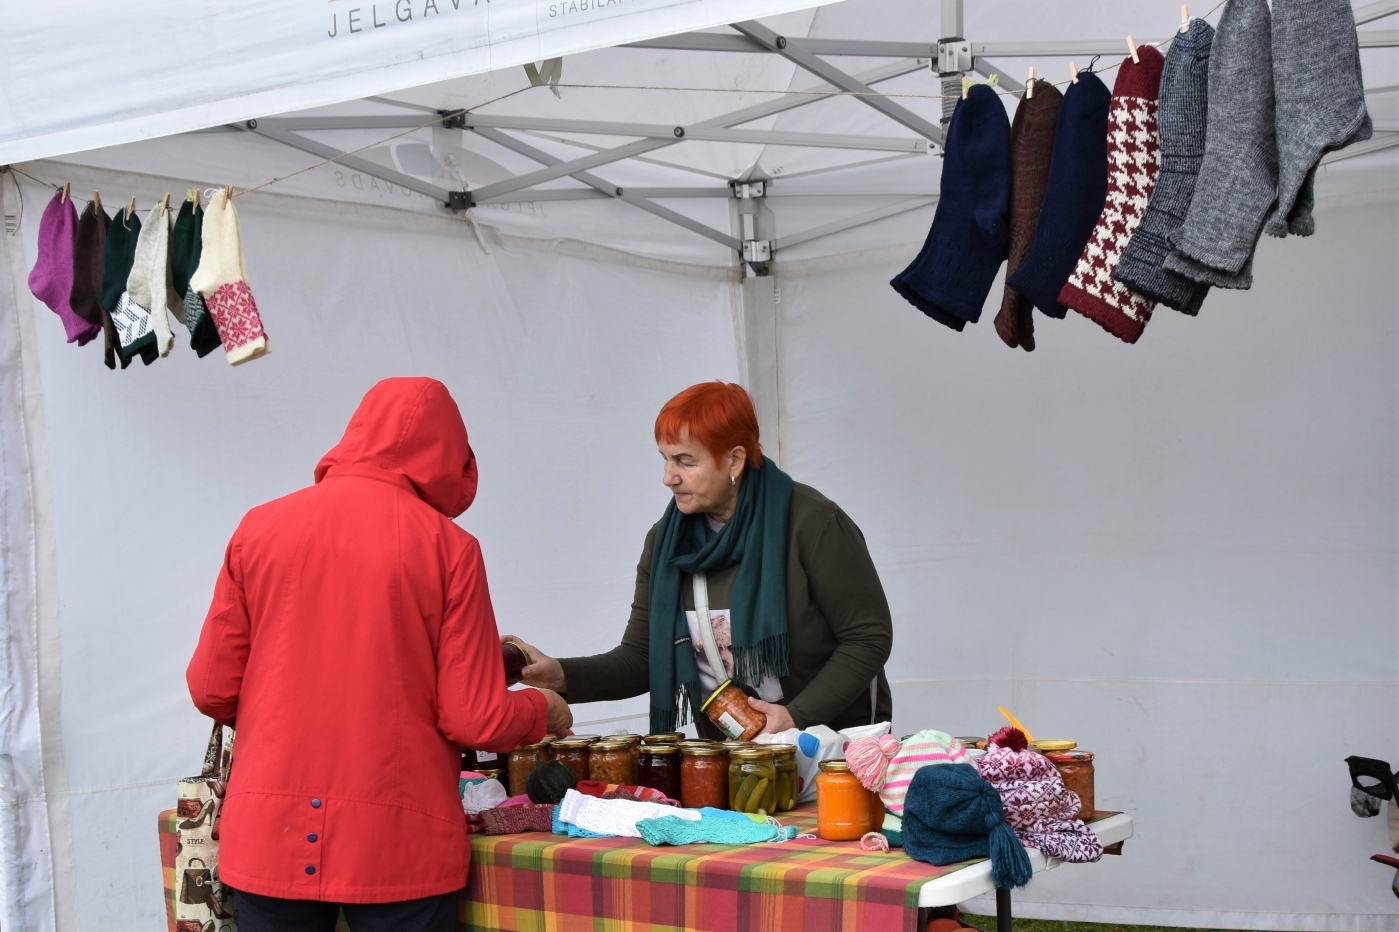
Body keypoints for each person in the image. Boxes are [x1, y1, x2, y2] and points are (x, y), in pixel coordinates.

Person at [186, 377, 571, 932]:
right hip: (398, 843)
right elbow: (473, 716)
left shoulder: (258, 529)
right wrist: (544, 707)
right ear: (450, 457)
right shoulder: (449, 548)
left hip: (269, 835)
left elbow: (211, 689)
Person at [507, 381, 892, 738]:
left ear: (735, 460)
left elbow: (867, 638)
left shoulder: (812, 523)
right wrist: (559, 674)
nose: (668, 477)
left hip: (832, 751)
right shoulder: (666, 542)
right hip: (732, 758)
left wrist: (794, 716)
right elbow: (642, 657)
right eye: (664, 459)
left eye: (685, 461)